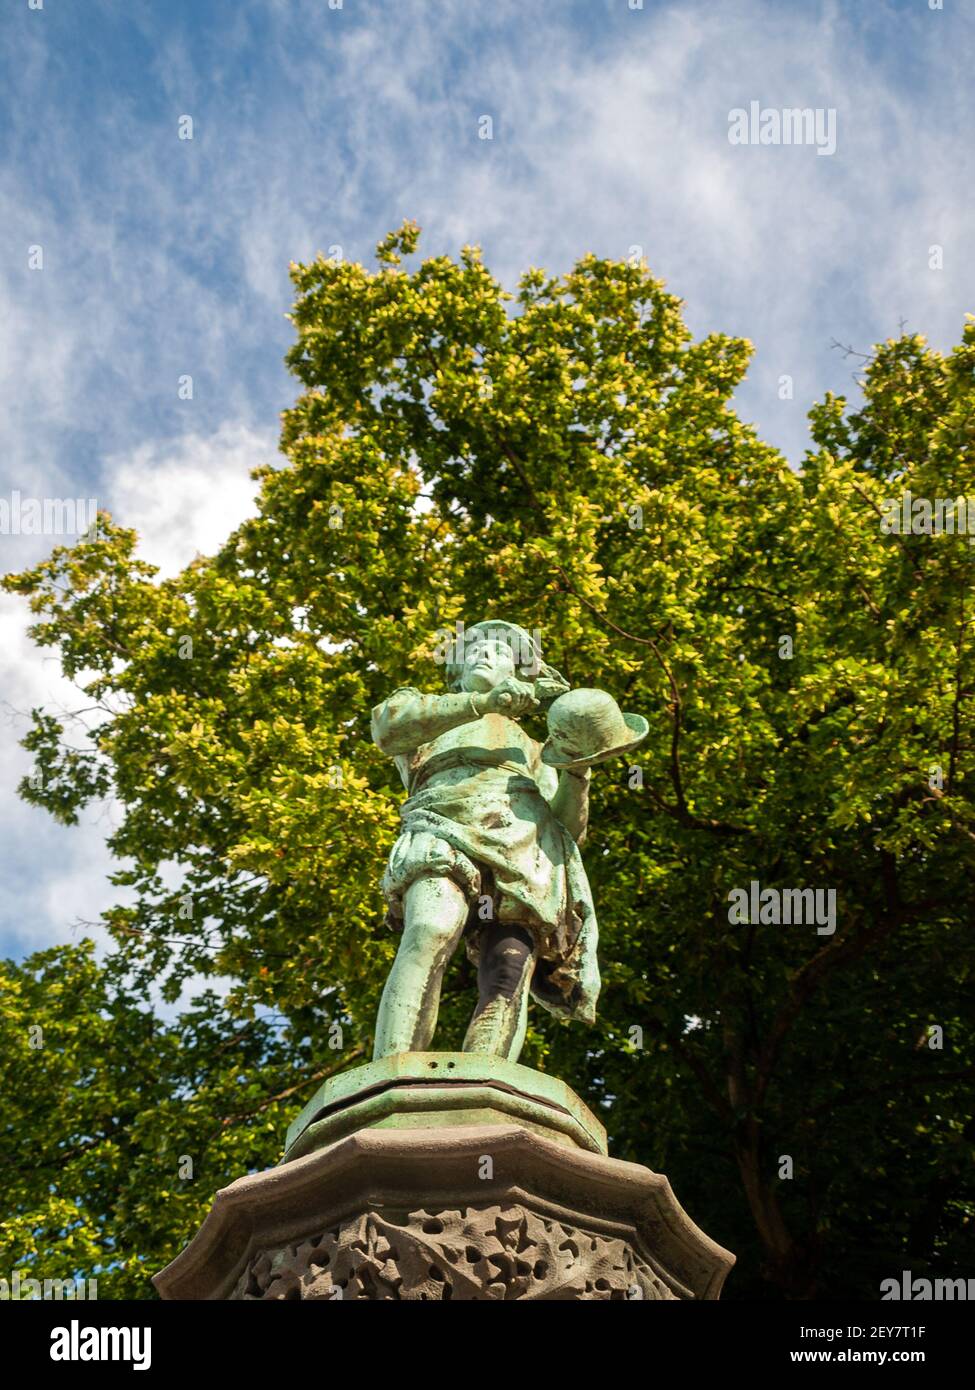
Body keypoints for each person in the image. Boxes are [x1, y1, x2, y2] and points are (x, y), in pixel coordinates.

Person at [370, 620, 600, 1062]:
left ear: (518, 676)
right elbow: (388, 729)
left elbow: (568, 828)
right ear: (454, 674)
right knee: (430, 927)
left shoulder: (535, 748)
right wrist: (482, 703)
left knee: (508, 968)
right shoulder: (427, 713)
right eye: (473, 650)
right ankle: (392, 1072)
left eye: (498, 652)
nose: (483, 654)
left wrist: (579, 769)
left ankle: (487, 1081)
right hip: (441, 829)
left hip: (525, 850)